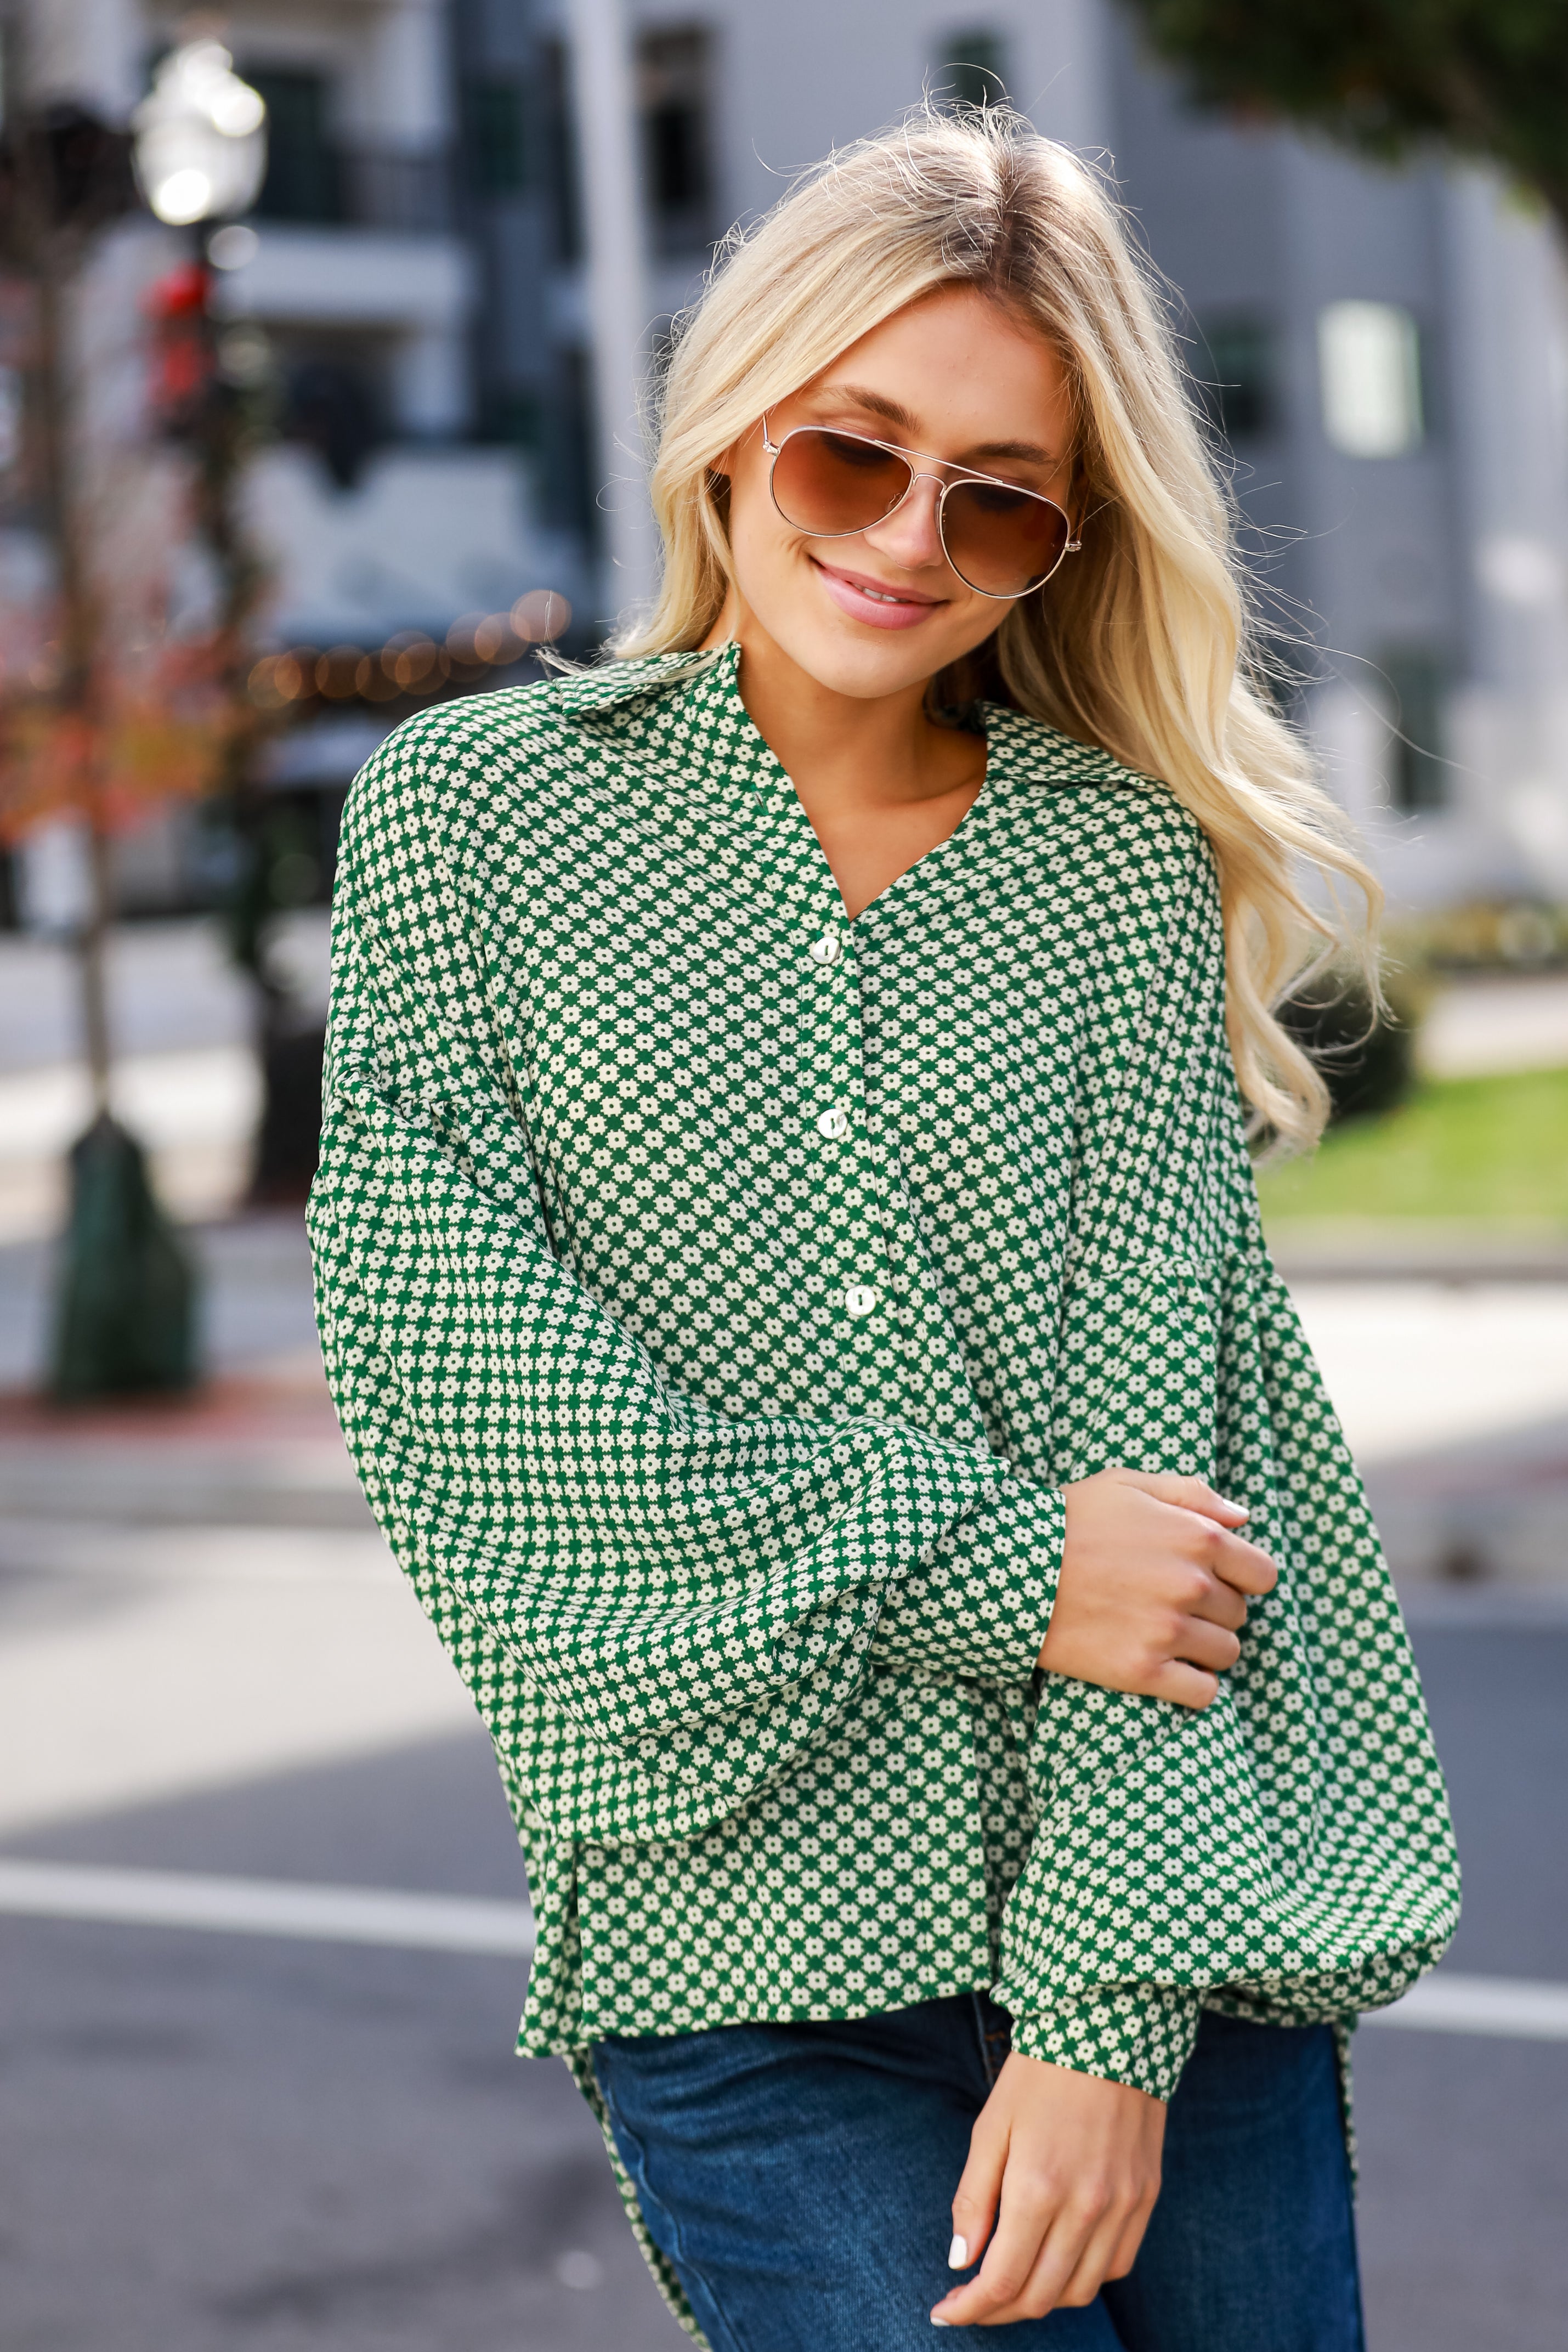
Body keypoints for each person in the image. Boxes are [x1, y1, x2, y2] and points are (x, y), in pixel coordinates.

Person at [308, 106, 1459, 2349]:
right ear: (738, 420)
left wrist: (1109, 2017)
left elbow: (1176, 1472)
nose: (909, 537)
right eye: (855, 452)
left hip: (1157, 1922)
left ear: (1062, 540)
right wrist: (1006, 1562)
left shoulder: (1111, 869)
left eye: (997, 492)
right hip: (743, 1956)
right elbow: (461, 1389)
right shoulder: (467, 822)